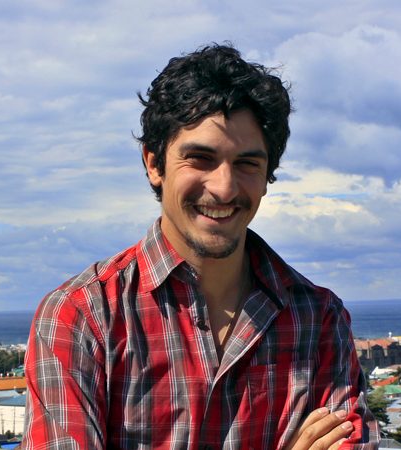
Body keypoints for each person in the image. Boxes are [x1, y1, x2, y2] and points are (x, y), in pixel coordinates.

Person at [22, 44, 380, 449]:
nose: (224, 187)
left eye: (247, 163)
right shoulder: (84, 317)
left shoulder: (318, 318)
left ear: (267, 176)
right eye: (200, 158)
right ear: (154, 164)